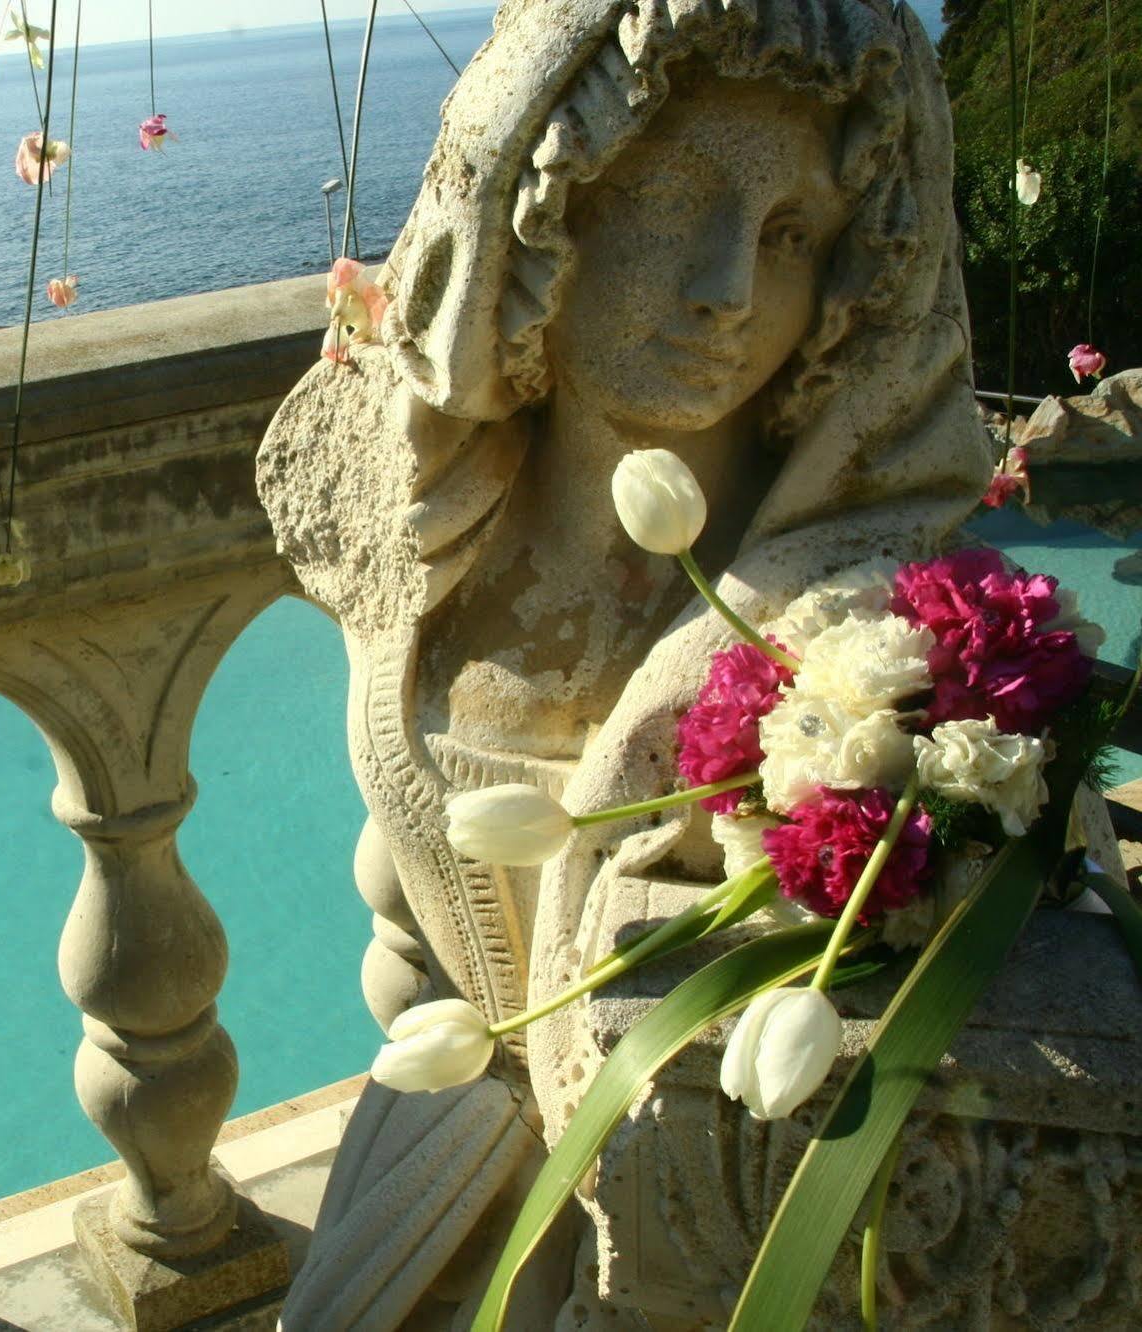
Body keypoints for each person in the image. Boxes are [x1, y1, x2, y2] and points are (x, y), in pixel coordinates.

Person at [255, 0, 990, 1324]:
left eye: (789, 238)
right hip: (433, 1194)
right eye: (671, 206)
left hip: (713, 1250)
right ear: (543, 217)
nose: (727, 290)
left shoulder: (873, 631)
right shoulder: (406, 539)